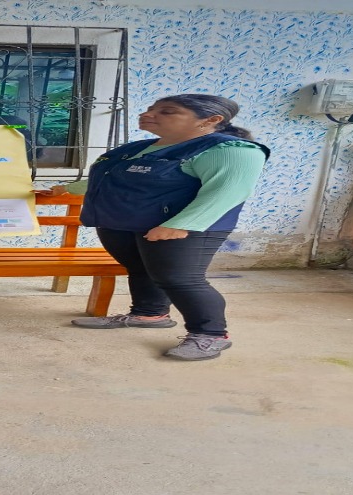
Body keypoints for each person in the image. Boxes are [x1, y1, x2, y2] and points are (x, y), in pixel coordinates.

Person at [39, 94, 270, 361]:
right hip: (125, 224)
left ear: (210, 120)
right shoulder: (141, 148)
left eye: (167, 111)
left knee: (180, 279)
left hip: (182, 227)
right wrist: (65, 189)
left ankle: (211, 334)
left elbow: (228, 191)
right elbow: (110, 177)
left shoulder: (231, 150)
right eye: (150, 109)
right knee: (141, 270)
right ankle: (149, 314)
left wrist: (181, 225)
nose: (148, 114)